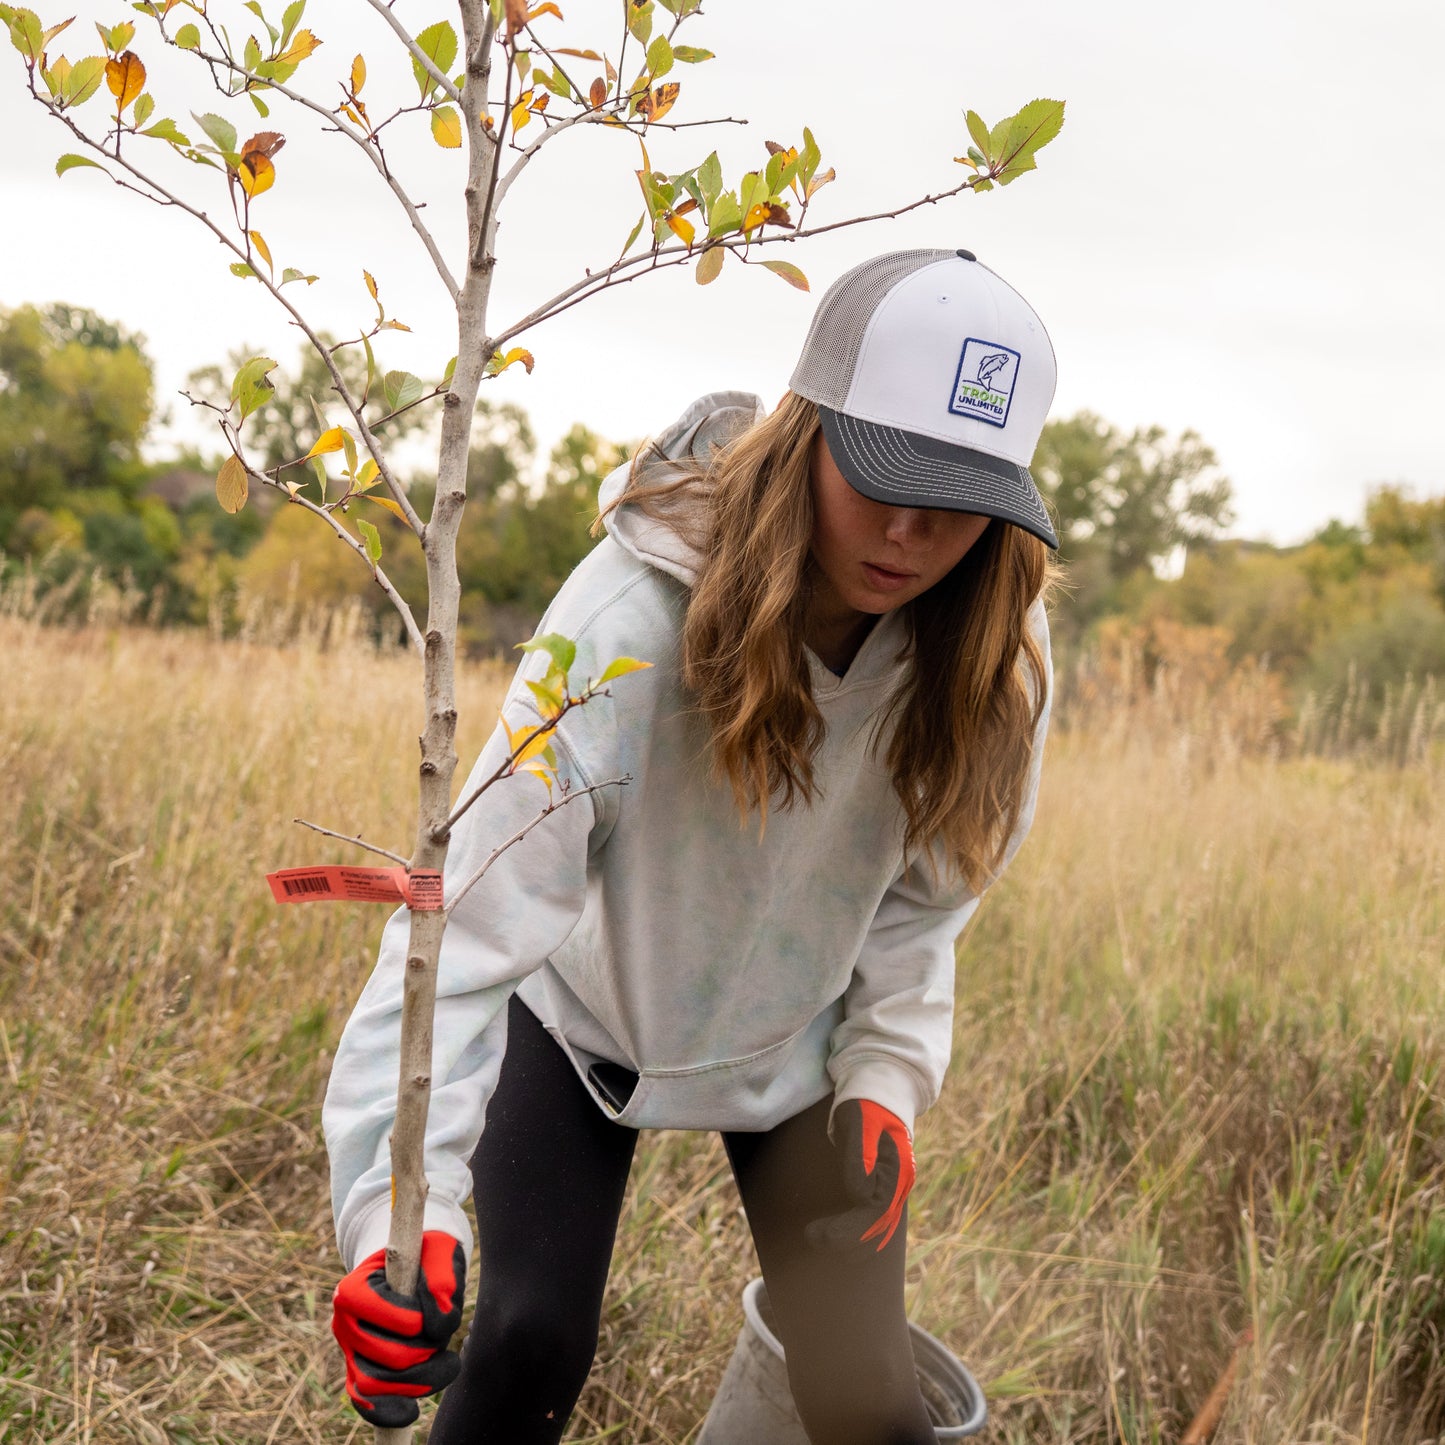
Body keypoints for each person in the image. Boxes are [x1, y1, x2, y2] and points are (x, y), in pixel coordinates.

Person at [324, 247, 1062, 1444]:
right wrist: (397, 1218)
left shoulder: (991, 661)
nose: (914, 529)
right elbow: (464, 931)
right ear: (804, 428)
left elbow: (926, 903)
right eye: (884, 475)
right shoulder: (624, 621)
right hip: (582, 1017)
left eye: (962, 496)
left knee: (868, 1396)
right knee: (523, 1343)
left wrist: (883, 1073)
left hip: (795, 1035)